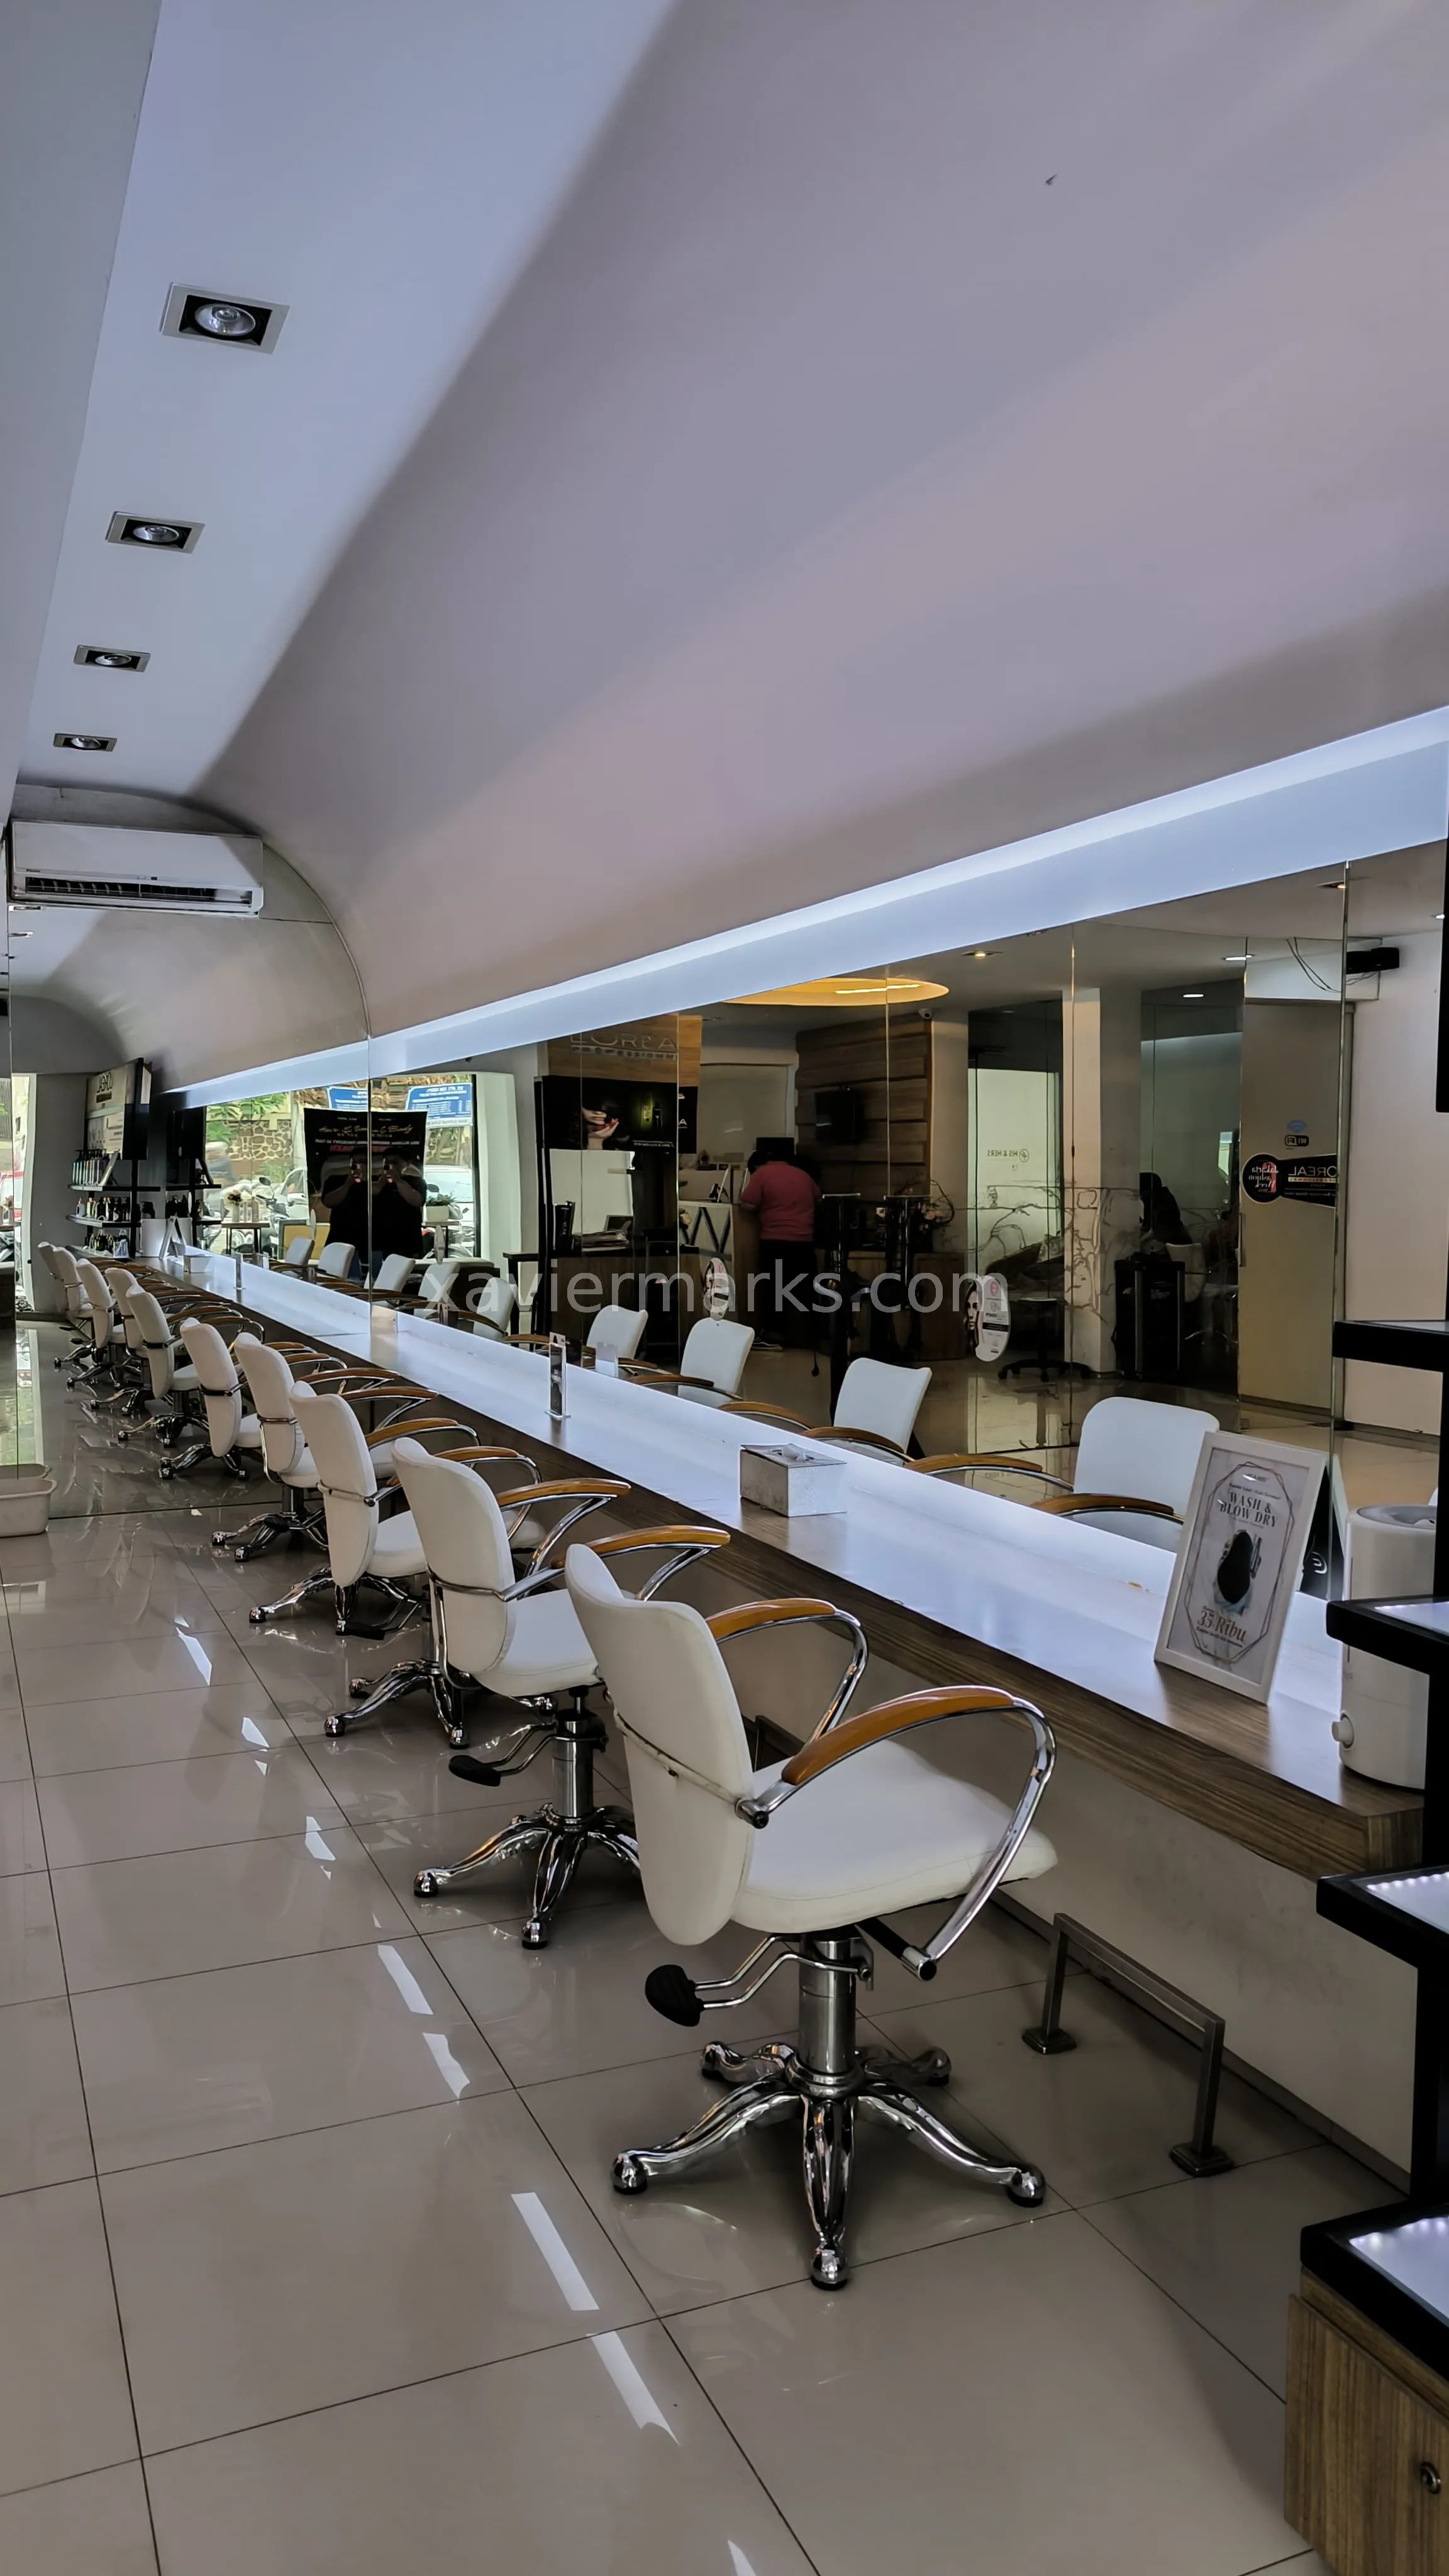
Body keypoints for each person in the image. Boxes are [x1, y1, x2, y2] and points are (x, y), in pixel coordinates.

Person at [740, 1138, 821, 1348]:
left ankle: (773, 1336)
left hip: (775, 1241)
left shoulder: (762, 1175)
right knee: (805, 1290)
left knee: (775, 1290)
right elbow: (818, 1197)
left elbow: (747, 1204)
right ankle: (812, 1337)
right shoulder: (803, 1175)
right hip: (804, 1241)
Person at [368, 1150, 425, 1279]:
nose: (390, 1166)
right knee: (375, 1277)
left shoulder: (415, 1181)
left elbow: (416, 1200)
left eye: (395, 1162)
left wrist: (398, 1180)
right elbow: (369, 1194)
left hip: (405, 1238)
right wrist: (382, 1182)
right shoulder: (376, 1180)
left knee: (400, 1277)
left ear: (406, 1164)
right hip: (377, 1238)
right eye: (387, 1162)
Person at [319, 1154, 370, 1278]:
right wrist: (347, 1185)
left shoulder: (375, 1182)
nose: (358, 1166)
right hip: (339, 1235)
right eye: (355, 1162)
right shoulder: (335, 1180)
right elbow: (328, 1202)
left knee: (360, 1279)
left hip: (367, 1239)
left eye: (363, 1162)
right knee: (331, 1277)